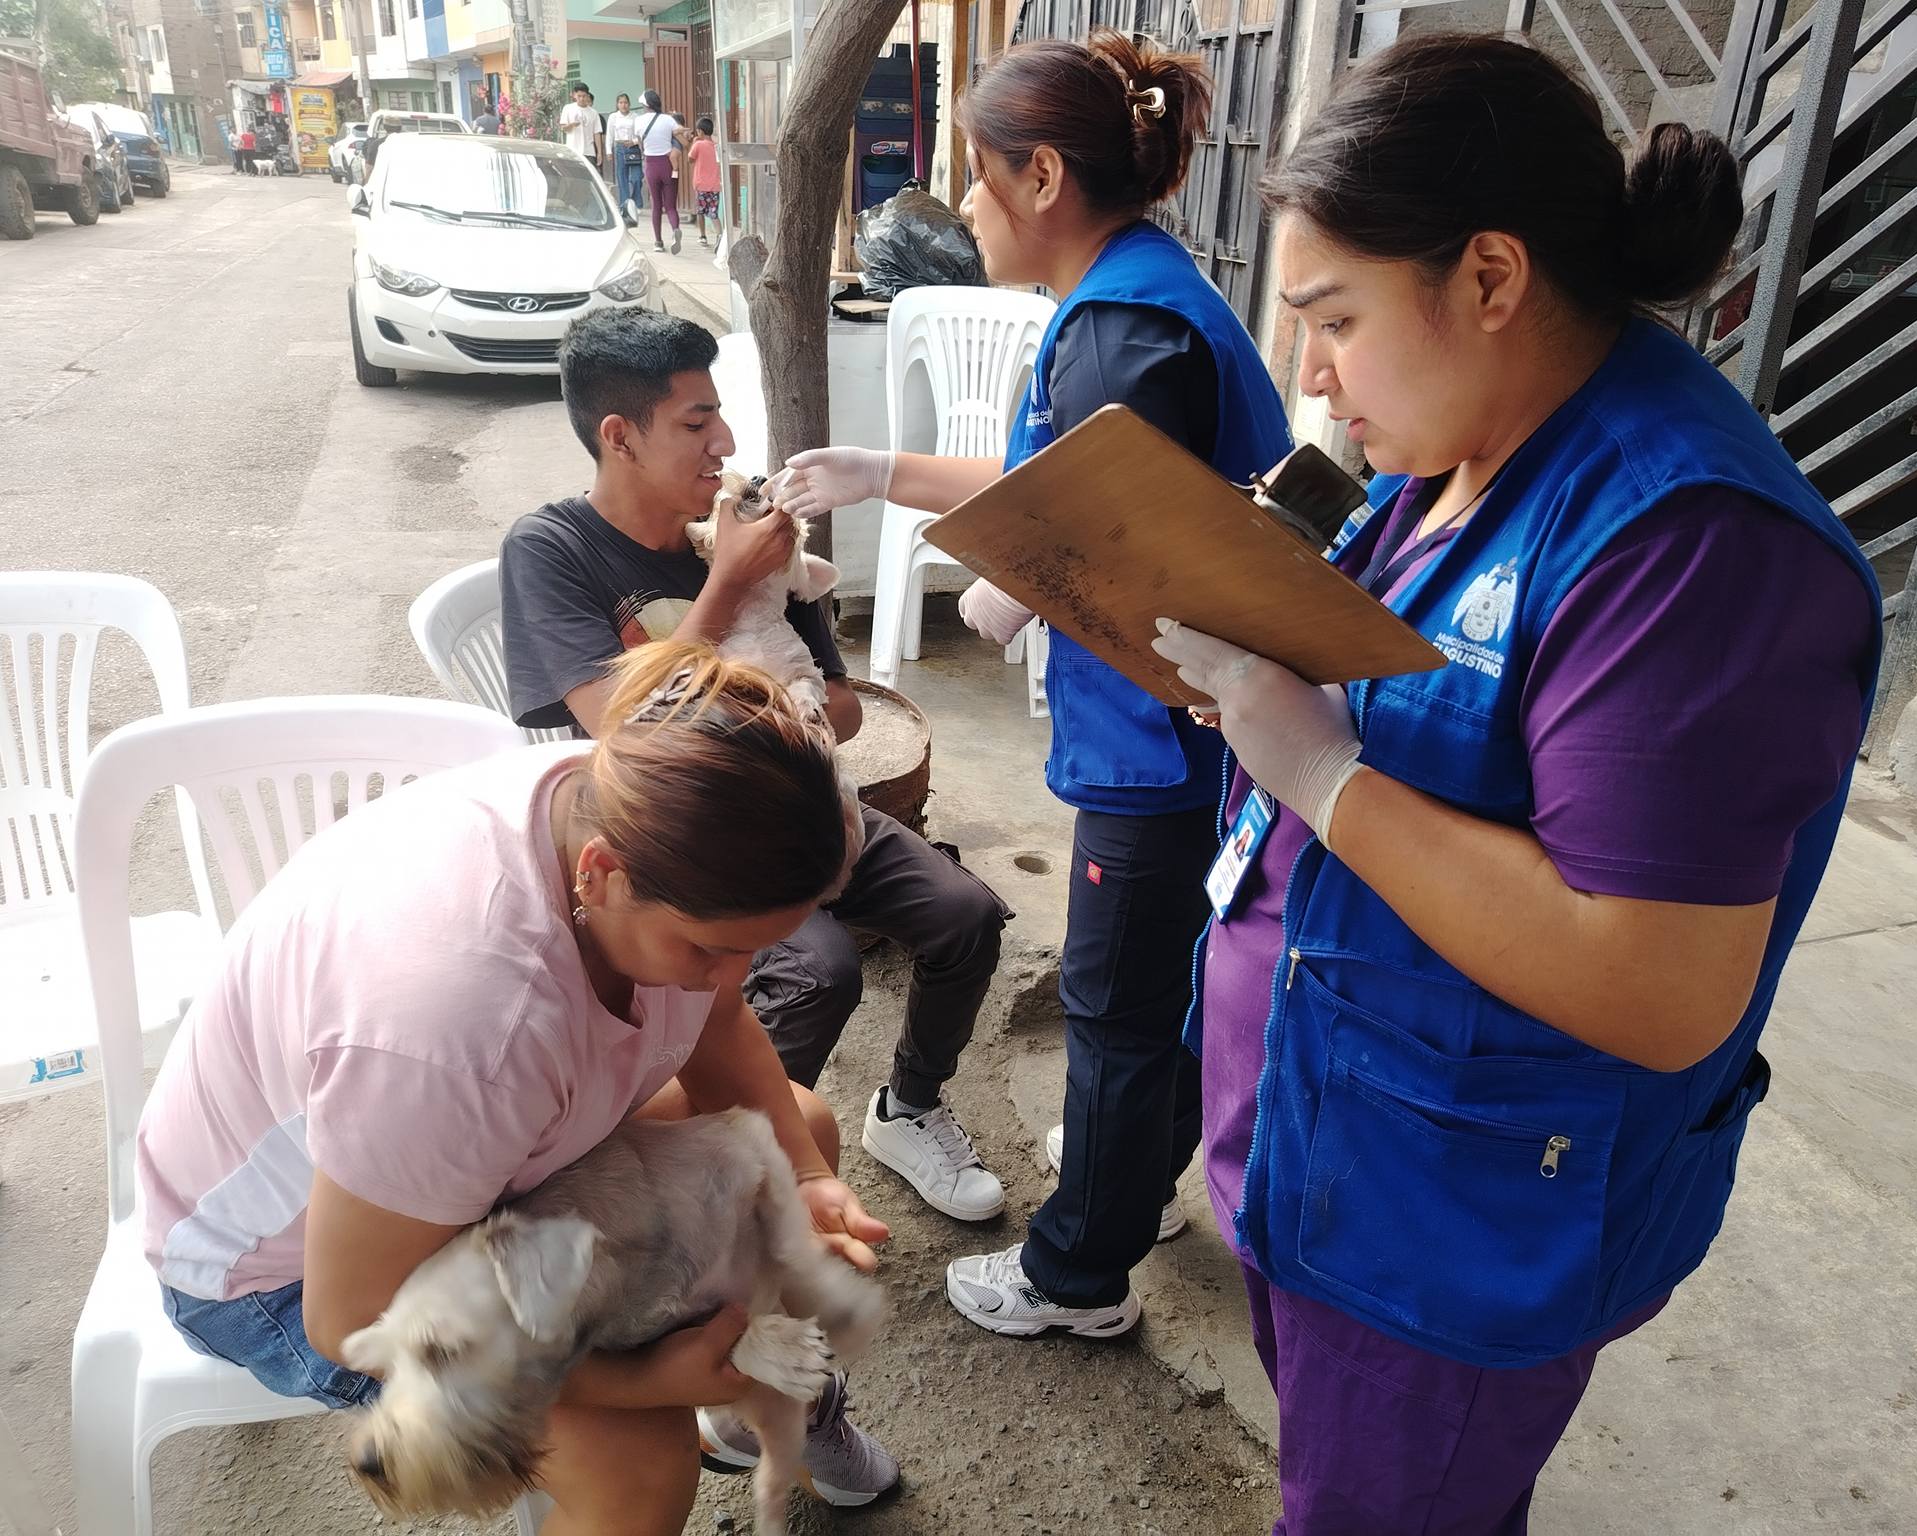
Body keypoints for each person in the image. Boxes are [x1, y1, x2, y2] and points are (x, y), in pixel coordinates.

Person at [1145, 34, 1881, 1533]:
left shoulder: (1690, 552)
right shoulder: (1451, 443)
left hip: (1456, 1225)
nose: (1309, 373)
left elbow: (1659, 984)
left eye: (1334, 318)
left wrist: (1320, 772)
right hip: (1335, 1142)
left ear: (1489, 278)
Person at [138, 641, 903, 1533]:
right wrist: (642, 1382)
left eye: (753, 948)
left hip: (454, 1172)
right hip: (287, 1273)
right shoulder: (459, 1026)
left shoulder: (635, 802)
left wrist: (807, 1171)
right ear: (602, 876)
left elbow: (720, 1017)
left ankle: (743, 1398)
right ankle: (715, 1387)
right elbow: (351, 1318)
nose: (724, 978)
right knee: (640, 1465)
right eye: (706, 948)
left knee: (789, 1131)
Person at [774, 30, 1293, 1343]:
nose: (967, 210)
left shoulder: (1117, 328)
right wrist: (878, 470)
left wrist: (1024, 582)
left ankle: (1081, 1273)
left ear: (1045, 175)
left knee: (1120, 1007)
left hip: (1164, 745)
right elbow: (1051, 483)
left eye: (979, 177)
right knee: (1161, 989)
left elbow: (1119, 535)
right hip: (1189, 737)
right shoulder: (1137, 289)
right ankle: (1138, 1188)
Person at [500, 307, 1014, 1247]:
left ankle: (907, 1108)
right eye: (695, 423)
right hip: (681, 838)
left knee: (965, 914)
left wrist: (798, 695)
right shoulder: (553, 553)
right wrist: (728, 586)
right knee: (818, 968)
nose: (726, 444)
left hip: (801, 800)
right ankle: (721, 1165)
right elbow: (618, 731)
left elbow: (841, 702)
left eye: (720, 417)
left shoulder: (747, 534)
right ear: (620, 436)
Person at [638, 89, 684, 255]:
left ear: (646, 105)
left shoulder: (639, 121)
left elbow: (640, 143)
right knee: (671, 206)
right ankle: (675, 229)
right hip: (668, 164)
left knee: (656, 205)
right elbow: (680, 130)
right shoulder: (668, 119)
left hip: (651, 164)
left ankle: (658, 241)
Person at [606, 91, 642, 226]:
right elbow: (609, 135)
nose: (623, 105)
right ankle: (625, 205)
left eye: (626, 102)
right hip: (620, 147)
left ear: (629, 104)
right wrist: (608, 151)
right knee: (622, 177)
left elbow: (640, 134)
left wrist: (634, 142)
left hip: (633, 147)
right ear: (617, 104)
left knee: (636, 177)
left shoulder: (636, 117)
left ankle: (637, 203)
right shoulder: (613, 117)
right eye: (621, 102)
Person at [687, 116, 720, 247]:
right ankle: (719, 236)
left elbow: (690, 159)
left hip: (701, 185)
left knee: (700, 211)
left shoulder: (698, 145)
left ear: (700, 131)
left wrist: (694, 142)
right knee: (713, 213)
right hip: (715, 186)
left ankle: (703, 236)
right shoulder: (716, 147)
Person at [560, 81, 601, 173]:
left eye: (584, 96)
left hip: (589, 151)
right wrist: (571, 125)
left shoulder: (593, 112)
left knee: (590, 177)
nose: (582, 99)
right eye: (579, 96)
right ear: (574, 95)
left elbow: (597, 133)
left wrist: (599, 153)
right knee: (574, 178)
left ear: (587, 95)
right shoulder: (568, 108)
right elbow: (563, 128)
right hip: (572, 151)